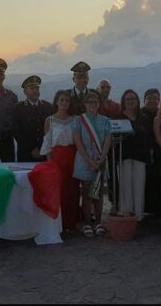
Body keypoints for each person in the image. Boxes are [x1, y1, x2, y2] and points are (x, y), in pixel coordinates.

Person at [72, 92, 111, 237]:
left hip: (100, 159)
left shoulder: (105, 121)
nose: (93, 104)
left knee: (99, 193)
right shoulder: (78, 120)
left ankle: (99, 222)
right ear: (85, 104)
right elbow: (77, 141)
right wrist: (89, 161)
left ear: (99, 103)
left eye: (95, 102)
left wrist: (101, 159)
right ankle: (87, 223)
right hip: (84, 160)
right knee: (87, 191)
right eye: (89, 102)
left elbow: (107, 140)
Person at [40, 90, 79, 232]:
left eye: (67, 101)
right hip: (56, 158)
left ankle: (70, 223)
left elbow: (78, 142)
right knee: (58, 190)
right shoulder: (49, 120)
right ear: (56, 101)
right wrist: (50, 163)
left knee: (72, 189)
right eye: (62, 100)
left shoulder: (75, 119)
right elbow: (47, 143)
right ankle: (58, 224)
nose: (64, 103)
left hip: (72, 156)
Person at [118, 90, 150, 221]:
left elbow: (149, 138)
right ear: (123, 102)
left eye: (133, 99)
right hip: (124, 156)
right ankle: (126, 213)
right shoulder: (118, 117)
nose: (130, 102)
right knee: (125, 186)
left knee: (139, 186)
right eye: (128, 99)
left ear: (137, 101)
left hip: (140, 156)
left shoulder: (144, 118)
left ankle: (138, 215)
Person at [13, 76, 53, 162]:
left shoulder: (48, 107)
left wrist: (41, 148)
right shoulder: (18, 108)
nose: (35, 91)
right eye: (31, 88)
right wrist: (31, 149)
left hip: (44, 153)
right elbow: (17, 132)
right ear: (25, 92)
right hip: (25, 154)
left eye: (37, 88)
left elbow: (51, 131)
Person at [96, 79, 121, 210]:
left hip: (113, 146)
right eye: (103, 87)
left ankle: (114, 200)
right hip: (96, 146)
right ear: (97, 88)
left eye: (108, 87)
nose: (105, 89)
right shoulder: (93, 106)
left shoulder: (115, 106)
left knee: (113, 174)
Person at [141, 88, 161, 216]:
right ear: (144, 100)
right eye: (149, 98)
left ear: (159, 100)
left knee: (158, 179)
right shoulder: (139, 114)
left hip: (160, 151)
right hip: (144, 152)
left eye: (155, 98)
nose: (152, 101)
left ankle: (159, 209)